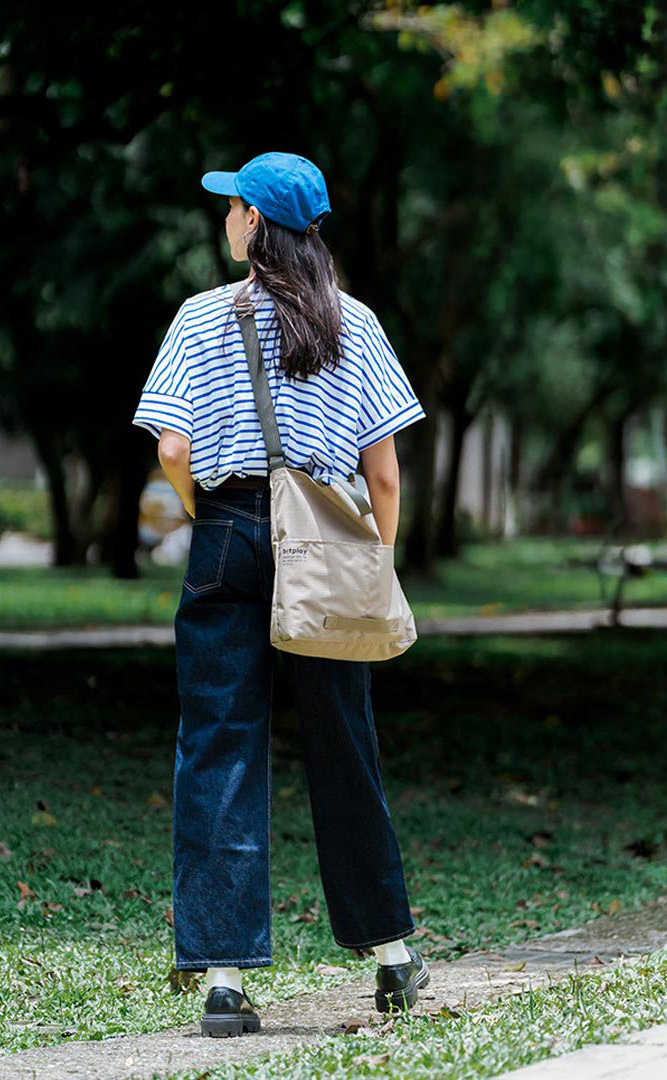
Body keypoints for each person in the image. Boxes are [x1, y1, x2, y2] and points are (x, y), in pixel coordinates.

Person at [132, 151, 428, 1038]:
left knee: (220, 743)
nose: (224, 218)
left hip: (225, 534)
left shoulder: (198, 318)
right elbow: (384, 470)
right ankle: (392, 955)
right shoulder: (358, 325)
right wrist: (374, 560)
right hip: (329, 541)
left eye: (232, 207)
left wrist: (214, 519)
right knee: (345, 741)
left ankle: (224, 977)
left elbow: (174, 451)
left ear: (256, 223)